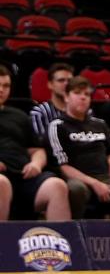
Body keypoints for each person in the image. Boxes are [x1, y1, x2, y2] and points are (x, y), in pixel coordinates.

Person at [47, 76, 110, 219]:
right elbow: (63, 166)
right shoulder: (58, 126)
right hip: (76, 179)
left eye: (87, 94)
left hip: (106, 177)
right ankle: (74, 236)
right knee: (76, 190)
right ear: (66, 97)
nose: (83, 98)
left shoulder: (99, 124)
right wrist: (94, 183)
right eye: (77, 93)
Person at [0, 64, 71, 221]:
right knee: (1, 183)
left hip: (24, 177)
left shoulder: (19, 116)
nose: (1, 90)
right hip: (2, 178)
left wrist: (36, 164)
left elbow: (37, 150)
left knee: (57, 186)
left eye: (6, 85)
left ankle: (59, 243)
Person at [30, 62, 74, 138]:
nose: (66, 84)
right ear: (50, 84)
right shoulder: (39, 113)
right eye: (61, 80)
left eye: (69, 80)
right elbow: (41, 144)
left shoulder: (83, 111)